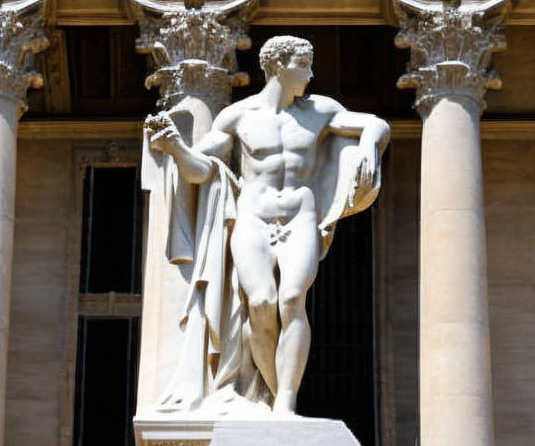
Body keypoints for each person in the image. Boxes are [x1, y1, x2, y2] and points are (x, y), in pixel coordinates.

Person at [146, 35, 390, 416]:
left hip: (300, 213)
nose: (310, 74)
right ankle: (277, 395)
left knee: (293, 298)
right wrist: (175, 148)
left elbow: (375, 124)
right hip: (253, 217)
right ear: (279, 65)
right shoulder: (238, 117)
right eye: (303, 65)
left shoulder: (321, 111)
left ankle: (287, 406)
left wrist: (370, 148)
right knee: (260, 303)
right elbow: (199, 172)